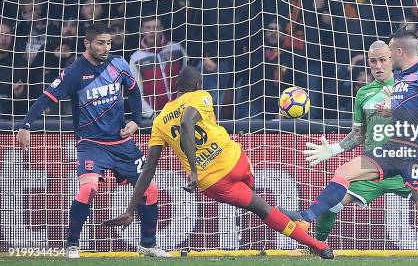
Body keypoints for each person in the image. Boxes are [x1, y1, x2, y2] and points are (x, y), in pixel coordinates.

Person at [281, 28, 418, 258]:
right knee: (343, 172)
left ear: (397, 53)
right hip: (392, 150)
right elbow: (405, 111)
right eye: (373, 60)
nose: (379, 64)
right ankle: (306, 221)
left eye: (385, 56)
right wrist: (388, 112)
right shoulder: (394, 82)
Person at [103, 66, 334, 259]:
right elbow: (186, 123)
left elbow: (149, 168)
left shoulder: (160, 120)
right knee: (262, 205)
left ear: (176, 88)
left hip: (213, 181)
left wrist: (131, 210)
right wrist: (193, 169)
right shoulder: (201, 95)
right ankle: (297, 224)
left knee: (261, 208)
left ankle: (318, 246)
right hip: (235, 161)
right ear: (197, 84)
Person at [15, 23, 169, 258]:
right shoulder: (75, 71)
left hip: (121, 142)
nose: (106, 47)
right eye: (100, 42)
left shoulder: (118, 64)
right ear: (87, 43)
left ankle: (148, 244)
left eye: (108, 42)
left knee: (150, 189)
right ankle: (72, 245)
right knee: (88, 188)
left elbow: (134, 90)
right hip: (92, 144)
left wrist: (135, 121)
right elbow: (47, 98)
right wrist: (26, 125)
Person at [301, 40, 418, 242]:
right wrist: (334, 149)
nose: (378, 66)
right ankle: (317, 245)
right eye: (373, 61)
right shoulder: (363, 93)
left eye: (382, 60)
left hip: (404, 162)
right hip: (373, 164)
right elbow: (359, 133)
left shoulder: (410, 83)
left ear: (392, 59)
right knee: (330, 205)